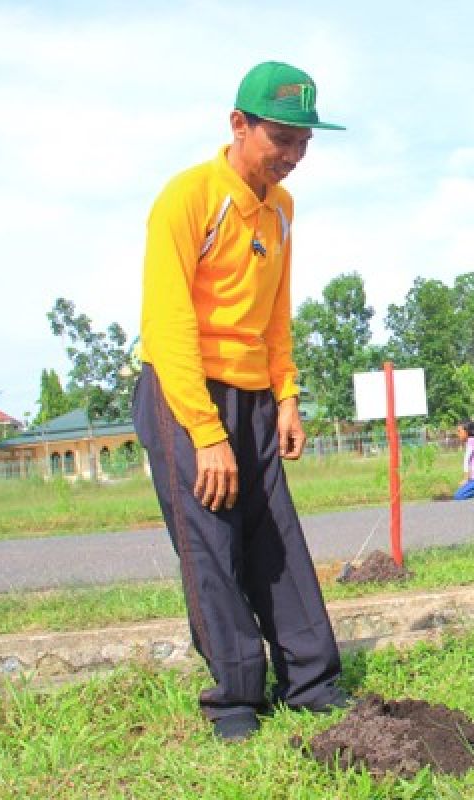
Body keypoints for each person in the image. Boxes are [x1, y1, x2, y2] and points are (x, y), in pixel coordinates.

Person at [132, 61, 348, 741]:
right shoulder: (189, 197)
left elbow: (275, 315)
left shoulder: (282, 211)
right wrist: (205, 431)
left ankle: (312, 682)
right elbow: (167, 326)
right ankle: (234, 703)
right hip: (184, 393)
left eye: (303, 143)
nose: (291, 157)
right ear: (238, 125)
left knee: (276, 538)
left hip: (255, 395)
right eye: (279, 138)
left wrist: (286, 394)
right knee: (212, 543)